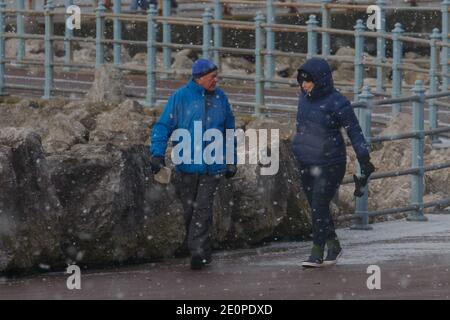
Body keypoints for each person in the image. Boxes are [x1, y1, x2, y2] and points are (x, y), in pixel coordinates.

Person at [150, 59, 237, 270]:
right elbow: (163, 126)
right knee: (190, 210)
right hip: (186, 165)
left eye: (216, 76)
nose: (216, 80)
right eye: (212, 77)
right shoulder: (180, 97)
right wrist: (157, 154)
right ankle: (203, 250)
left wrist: (231, 159)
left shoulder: (220, 97)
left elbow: (229, 130)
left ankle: (197, 251)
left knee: (203, 209)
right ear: (199, 78)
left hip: (213, 165)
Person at [292, 58, 375, 268]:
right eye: (301, 81)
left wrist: (364, 158)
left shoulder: (338, 102)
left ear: (320, 80)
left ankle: (317, 251)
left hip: (331, 163)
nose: (304, 85)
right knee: (316, 207)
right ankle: (334, 245)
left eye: (307, 81)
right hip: (306, 161)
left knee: (319, 204)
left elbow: (354, 131)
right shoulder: (303, 99)